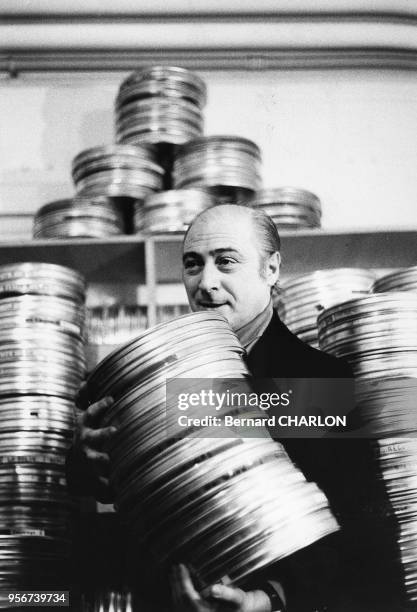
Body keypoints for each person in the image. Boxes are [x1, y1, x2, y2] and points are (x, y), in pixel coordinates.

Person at [68, 204, 379, 611]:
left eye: (226, 262)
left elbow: (364, 542)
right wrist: (84, 461)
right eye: (193, 265)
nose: (206, 283)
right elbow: (133, 511)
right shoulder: (158, 379)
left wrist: (269, 599)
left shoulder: (322, 382)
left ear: (271, 270)